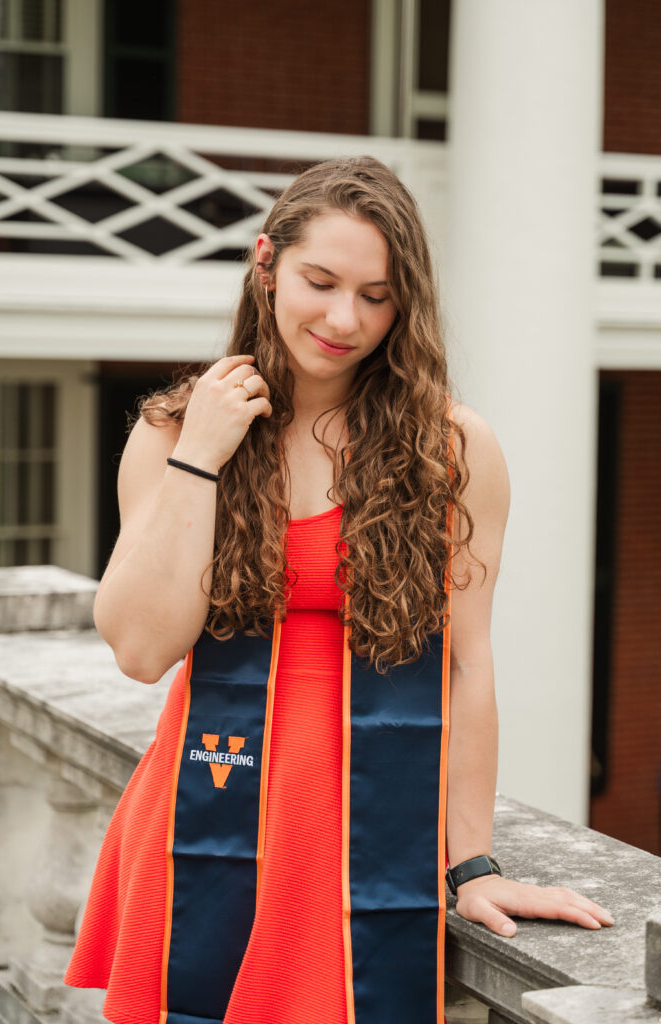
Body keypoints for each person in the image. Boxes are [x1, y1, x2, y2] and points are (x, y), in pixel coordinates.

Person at [64, 156, 614, 1024]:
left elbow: (466, 664)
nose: (342, 318)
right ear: (266, 261)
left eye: (376, 295)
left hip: (359, 834)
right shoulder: (174, 431)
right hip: (203, 814)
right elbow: (139, 650)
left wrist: (472, 866)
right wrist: (200, 455)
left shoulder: (451, 450)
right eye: (320, 281)